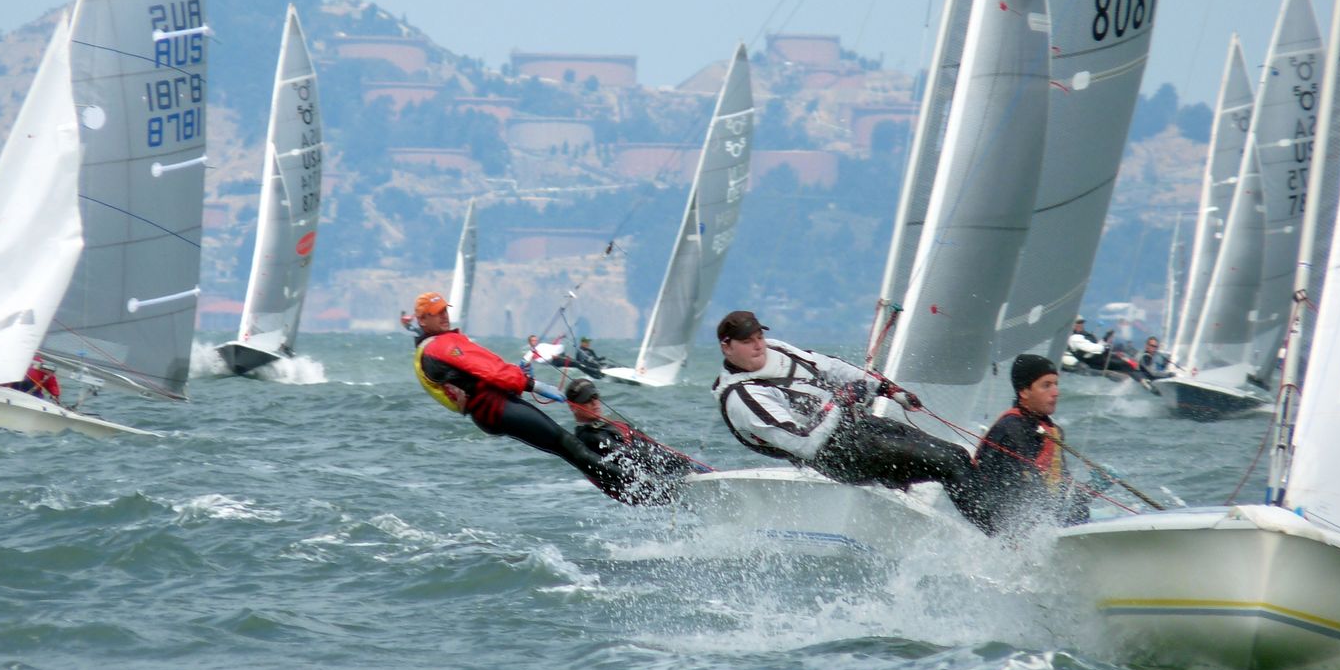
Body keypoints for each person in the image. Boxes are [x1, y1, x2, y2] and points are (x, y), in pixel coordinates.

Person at [710, 310, 976, 507]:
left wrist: (887, 389)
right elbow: (805, 445)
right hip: (839, 456)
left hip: (860, 428)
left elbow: (830, 366)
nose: (759, 345)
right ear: (726, 347)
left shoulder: (776, 348)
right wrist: (839, 402)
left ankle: (996, 518)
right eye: (747, 341)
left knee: (959, 454)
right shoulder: (741, 397)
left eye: (760, 336)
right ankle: (997, 540)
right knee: (950, 463)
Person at [410, 292, 642, 502]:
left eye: (444, 310)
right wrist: (532, 385)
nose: (444, 316)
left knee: (567, 449)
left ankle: (636, 493)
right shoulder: (439, 346)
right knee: (568, 445)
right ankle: (644, 487)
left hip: (492, 411)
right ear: (422, 320)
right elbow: (490, 372)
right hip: (496, 408)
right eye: (436, 313)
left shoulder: (430, 348)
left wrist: (516, 374)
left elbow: (475, 375)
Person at [969, 353, 1090, 535]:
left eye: (1056, 384)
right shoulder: (1010, 429)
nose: (1056, 392)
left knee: (1079, 507)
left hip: (1043, 515)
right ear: (1024, 391)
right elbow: (1015, 490)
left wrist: (1088, 490)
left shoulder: (1052, 430)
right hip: (1004, 524)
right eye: (1046, 385)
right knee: (1075, 509)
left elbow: (1060, 481)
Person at [563, 377, 701, 503]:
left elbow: (649, 446)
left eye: (595, 397)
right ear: (573, 407)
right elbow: (630, 456)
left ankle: (695, 474)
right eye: (587, 400)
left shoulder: (610, 425)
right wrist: (679, 462)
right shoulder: (589, 437)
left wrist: (678, 459)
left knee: (683, 463)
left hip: (657, 478)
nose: (595, 403)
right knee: (680, 463)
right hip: (643, 490)